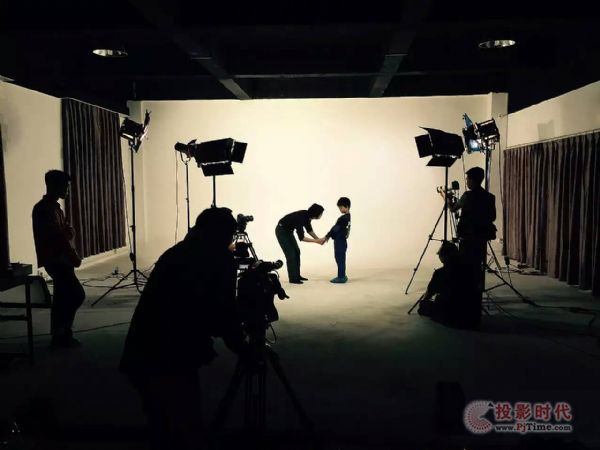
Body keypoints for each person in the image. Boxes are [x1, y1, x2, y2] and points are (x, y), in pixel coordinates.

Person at [120, 207, 246, 450]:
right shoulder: (219, 260)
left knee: (162, 425)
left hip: (141, 350)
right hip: (171, 355)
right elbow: (224, 315)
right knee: (186, 426)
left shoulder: (177, 252)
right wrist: (243, 348)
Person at [32, 170, 84, 348]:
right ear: (55, 186)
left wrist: (66, 233)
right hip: (56, 260)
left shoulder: (54, 208)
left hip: (59, 259)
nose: (67, 190)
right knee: (76, 295)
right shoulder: (45, 209)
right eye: (65, 187)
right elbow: (59, 238)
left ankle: (61, 335)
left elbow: (66, 231)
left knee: (62, 297)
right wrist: (74, 256)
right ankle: (62, 333)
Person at [447, 166, 496, 291]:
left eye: (468, 179)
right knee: (478, 263)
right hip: (482, 236)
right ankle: (477, 289)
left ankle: (466, 290)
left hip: (468, 237)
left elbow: (453, 208)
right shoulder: (490, 197)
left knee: (466, 263)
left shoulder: (467, 196)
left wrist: (447, 199)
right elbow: (493, 217)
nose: (467, 181)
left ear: (473, 180)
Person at [417, 241, 480, 329]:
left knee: (423, 306)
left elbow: (430, 293)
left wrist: (424, 301)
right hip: (471, 317)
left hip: (451, 317)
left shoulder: (440, 273)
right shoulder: (470, 269)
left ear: (444, 256)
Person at [275, 203, 325, 284]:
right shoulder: (301, 218)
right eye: (321, 213)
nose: (321, 215)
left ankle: (297, 275)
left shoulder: (307, 216)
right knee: (291, 254)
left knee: (297, 251)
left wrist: (318, 239)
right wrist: (316, 241)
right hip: (281, 231)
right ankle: (293, 278)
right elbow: (302, 238)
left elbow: (309, 230)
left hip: (289, 231)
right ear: (316, 214)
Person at [324, 197, 351, 283]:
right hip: (343, 240)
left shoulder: (343, 218)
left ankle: (341, 277)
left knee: (339, 258)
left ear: (347, 207)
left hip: (340, 241)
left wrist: (327, 236)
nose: (340, 209)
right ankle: (342, 275)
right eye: (339, 207)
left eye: (341, 207)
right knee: (341, 258)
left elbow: (335, 229)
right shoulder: (348, 217)